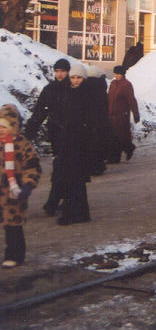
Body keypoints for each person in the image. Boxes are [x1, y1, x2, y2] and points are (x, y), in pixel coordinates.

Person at [24, 58, 71, 216]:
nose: (59, 74)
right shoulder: (49, 89)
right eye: (57, 71)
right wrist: (28, 134)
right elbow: (39, 112)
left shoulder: (73, 88)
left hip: (71, 134)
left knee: (62, 168)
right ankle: (62, 200)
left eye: (63, 71)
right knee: (61, 167)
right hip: (56, 134)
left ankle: (54, 202)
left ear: (68, 72)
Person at [0, 105, 41, 267]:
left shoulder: (22, 143)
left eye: (5, 126)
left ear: (13, 126)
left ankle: (15, 255)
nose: (1, 130)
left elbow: (32, 166)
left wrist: (28, 185)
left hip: (13, 191)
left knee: (13, 225)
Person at [54, 63, 93, 225]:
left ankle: (73, 213)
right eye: (73, 77)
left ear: (83, 79)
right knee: (71, 179)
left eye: (78, 78)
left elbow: (90, 121)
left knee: (74, 180)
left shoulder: (87, 95)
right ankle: (79, 213)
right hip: (67, 142)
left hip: (79, 144)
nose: (75, 81)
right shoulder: (67, 93)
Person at [107, 66, 140, 162]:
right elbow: (109, 97)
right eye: (115, 74)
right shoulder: (113, 84)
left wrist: (135, 114)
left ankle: (128, 148)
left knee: (120, 136)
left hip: (122, 115)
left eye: (118, 74)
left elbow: (131, 100)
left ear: (123, 74)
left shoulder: (126, 85)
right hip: (111, 114)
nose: (116, 76)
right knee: (113, 136)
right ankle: (116, 156)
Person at [83, 66, 110, 176]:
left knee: (90, 145)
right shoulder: (102, 86)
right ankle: (99, 166)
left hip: (90, 119)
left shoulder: (86, 87)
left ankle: (92, 167)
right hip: (101, 119)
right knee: (98, 144)